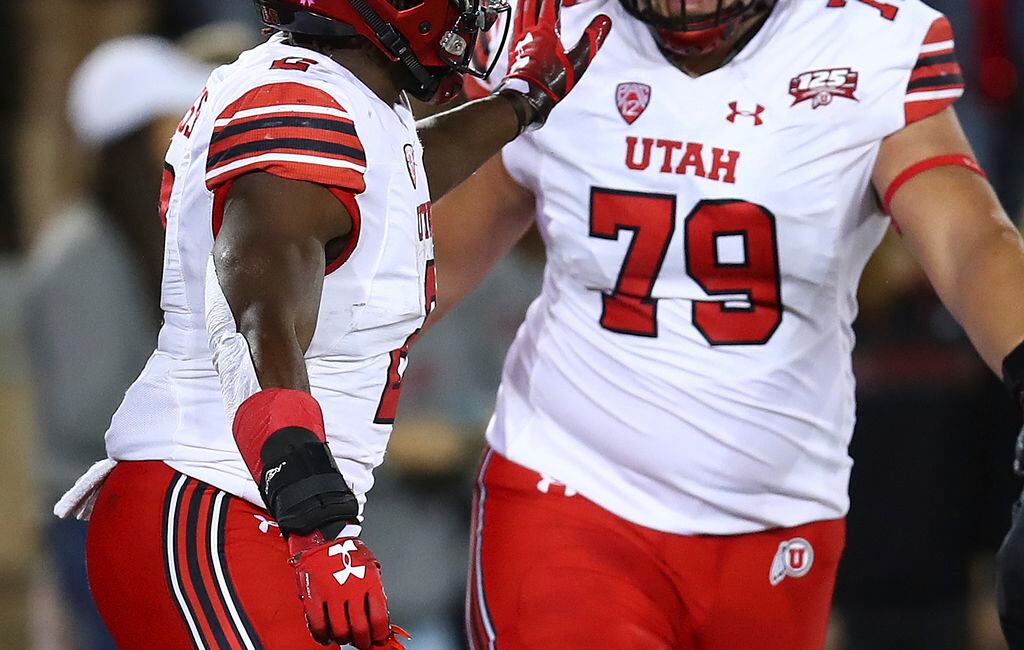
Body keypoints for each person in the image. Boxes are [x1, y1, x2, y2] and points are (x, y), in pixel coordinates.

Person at [430, 0, 1024, 647]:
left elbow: (970, 243)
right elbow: (423, 269)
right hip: (571, 493)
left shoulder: (867, 42)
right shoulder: (552, 28)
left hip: (781, 521)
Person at [53, 0, 611, 647]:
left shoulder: (330, 98)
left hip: (245, 508)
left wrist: (521, 105)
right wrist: (318, 525)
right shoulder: (296, 111)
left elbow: (396, 176)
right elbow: (257, 325)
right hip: (217, 502)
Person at [23, 36, 212, 650]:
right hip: (103, 525)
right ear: (145, 134)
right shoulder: (81, 254)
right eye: (178, 121)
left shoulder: (137, 240)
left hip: (147, 518)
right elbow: (89, 412)